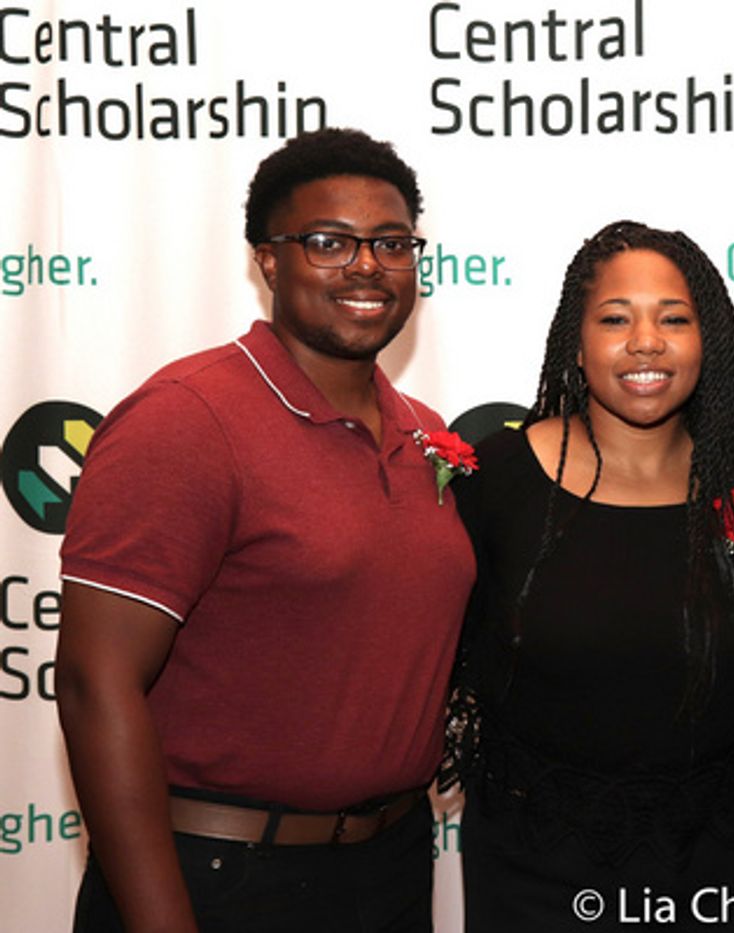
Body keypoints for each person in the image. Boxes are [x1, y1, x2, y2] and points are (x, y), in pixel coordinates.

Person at [55, 128, 473, 933]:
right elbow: (92, 683)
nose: (365, 265)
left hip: (387, 867)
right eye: (328, 242)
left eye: (391, 243)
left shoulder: (424, 432)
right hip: (220, 879)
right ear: (267, 260)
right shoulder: (188, 419)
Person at [447, 220, 734, 932]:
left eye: (673, 319)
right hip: (534, 876)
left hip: (713, 869)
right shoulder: (498, 478)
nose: (646, 341)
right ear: (575, 340)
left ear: (707, 339)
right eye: (615, 318)